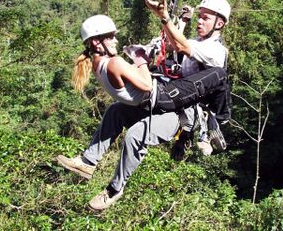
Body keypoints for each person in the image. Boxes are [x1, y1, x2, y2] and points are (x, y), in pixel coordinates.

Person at [57, 11, 232, 211]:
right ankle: (89, 162)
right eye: (111, 37)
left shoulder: (98, 64)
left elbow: (180, 48)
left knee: (133, 132)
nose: (116, 39)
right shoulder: (112, 63)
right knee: (116, 111)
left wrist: (173, 23)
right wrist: (144, 57)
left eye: (205, 18)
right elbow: (160, 68)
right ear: (97, 44)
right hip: (164, 102)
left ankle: (112, 187)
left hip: (177, 109)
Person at [144, 0, 231, 158]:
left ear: (219, 23)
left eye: (205, 18)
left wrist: (165, 17)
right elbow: (171, 44)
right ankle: (185, 135)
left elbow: (180, 45)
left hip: (197, 103)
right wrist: (182, 22)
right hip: (185, 95)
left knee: (219, 74)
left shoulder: (215, 50)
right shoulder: (198, 43)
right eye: (199, 17)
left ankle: (208, 128)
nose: (199, 21)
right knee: (160, 67)